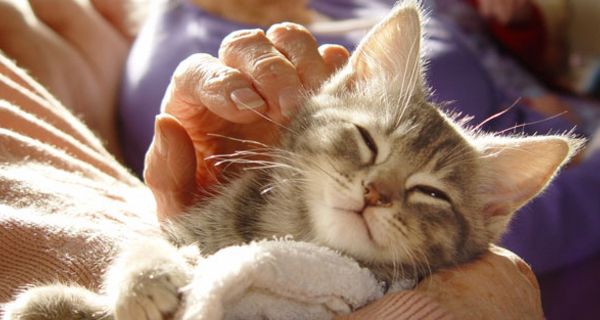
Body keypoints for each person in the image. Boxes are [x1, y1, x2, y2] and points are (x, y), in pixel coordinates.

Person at [0, 0, 544, 319]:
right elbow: (171, 241)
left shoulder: (417, 16)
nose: (378, 193)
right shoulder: (172, 23)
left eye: (427, 193)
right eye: (368, 146)